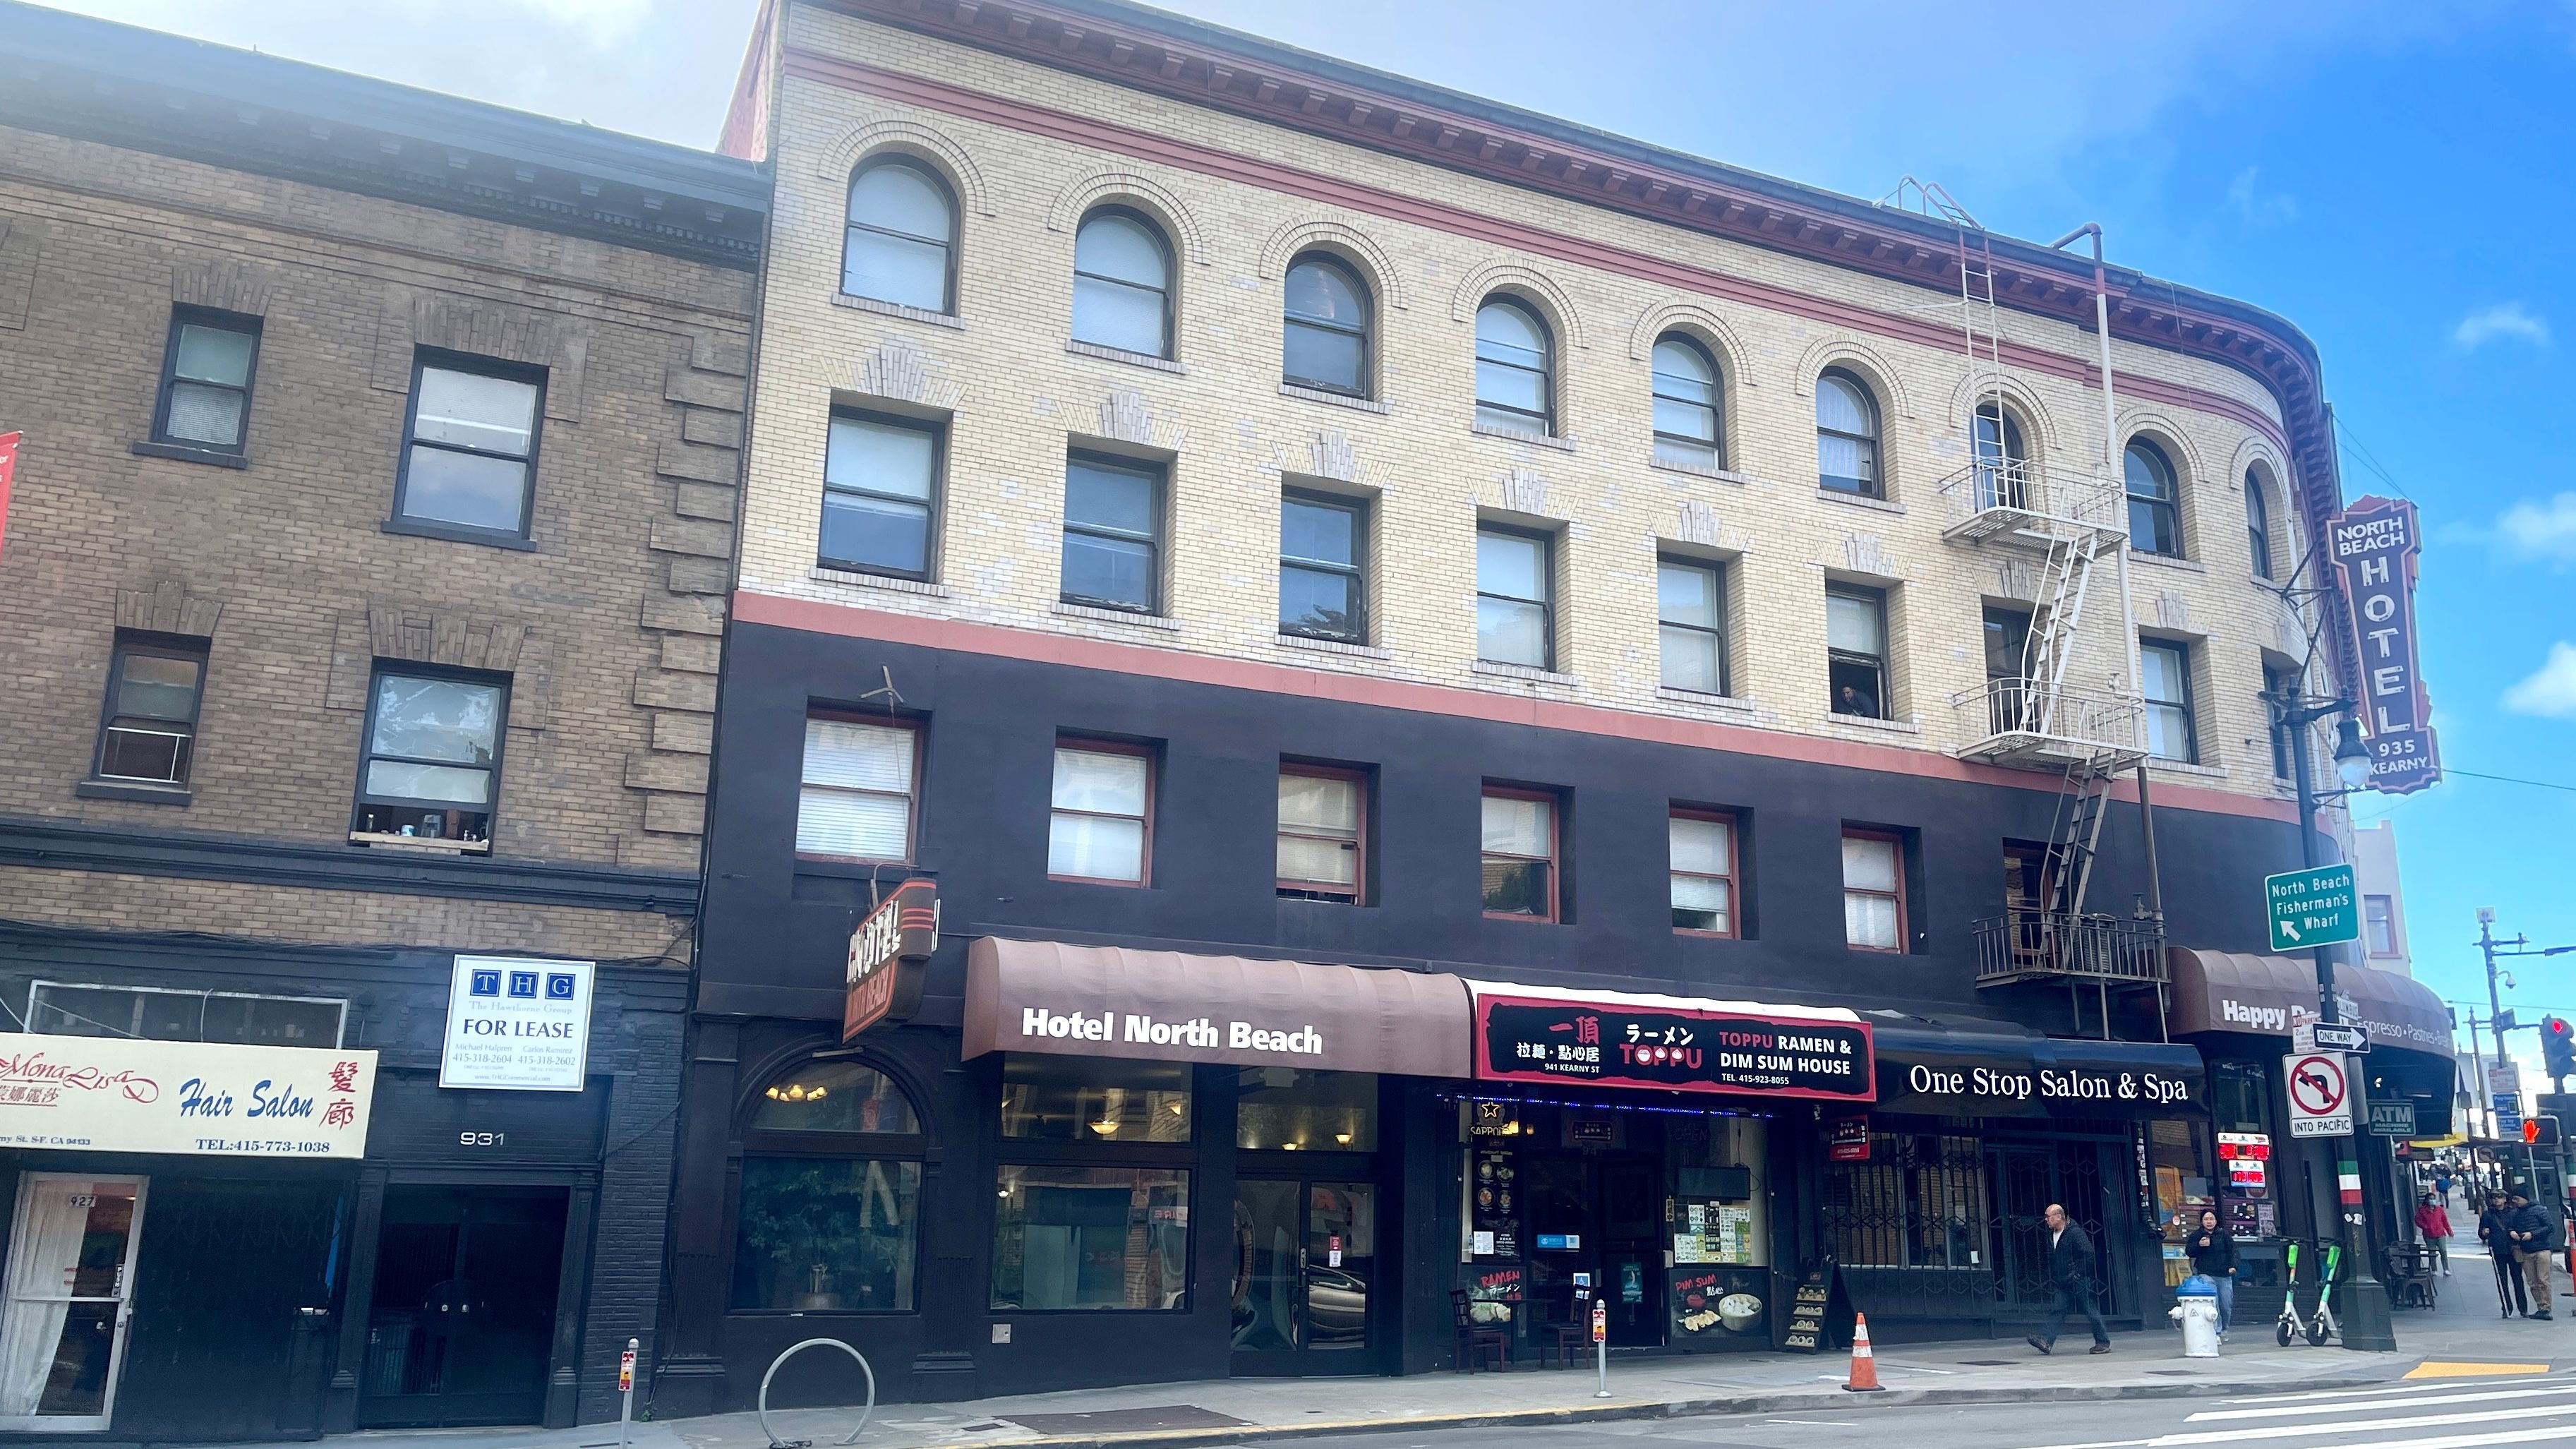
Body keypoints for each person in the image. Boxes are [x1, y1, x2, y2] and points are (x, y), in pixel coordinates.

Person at [2028, 1203, 2111, 1354]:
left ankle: (2103, 1342)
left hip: (2078, 1280)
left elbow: (2088, 1253)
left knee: (2090, 1309)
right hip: (2063, 1280)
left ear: (2059, 1216)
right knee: (2058, 1309)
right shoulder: (2052, 1234)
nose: (2046, 1220)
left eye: (2048, 1216)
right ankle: (2046, 1341)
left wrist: (2078, 1272)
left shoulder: (2075, 1233)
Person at [2182, 1207, 2237, 1339]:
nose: (2209, 1222)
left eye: (2211, 1219)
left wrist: (2233, 1266)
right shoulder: (2196, 1235)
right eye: (2206, 1219)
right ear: (2201, 1221)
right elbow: (2189, 1252)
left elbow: (2233, 1251)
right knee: (2214, 1303)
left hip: (2224, 1274)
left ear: (2216, 1221)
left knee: (2226, 1304)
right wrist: (2199, 1245)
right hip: (2206, 1273)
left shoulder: (2224, 1235)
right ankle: (2216, 1332)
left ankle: (2225, 1327)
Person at [2508, 1192, 2557, 1320]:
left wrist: (2533, 1234)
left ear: (2525, 1198)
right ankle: (2541, 1307)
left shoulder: (2539, 1210)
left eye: (2517, 1199)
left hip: (2542, 1250)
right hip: (2526, 1251)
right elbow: (2510, 1226)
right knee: (2533, 1282)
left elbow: (2550, 1227)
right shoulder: (2515, 1213)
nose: (2516, 1202)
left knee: (2543, 1279)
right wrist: (2512, 1232)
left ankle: (2546, 1308)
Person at [2416, 1192, 2453, 1276]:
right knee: (2432, 1253)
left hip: (2440, 1234)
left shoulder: (2439, 1210)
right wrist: (2425, 1226)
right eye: (2430, 1199)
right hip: (2429, 1235)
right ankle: (2434, 1269)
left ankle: (2446, 1269)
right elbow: (2418, 1220)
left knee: (2443, 1251)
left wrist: (2449, 1231)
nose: (2432, 1201)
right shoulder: (2422, 1211)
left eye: (2433, 1199)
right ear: (2427, 1200)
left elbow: (2444, 1221)